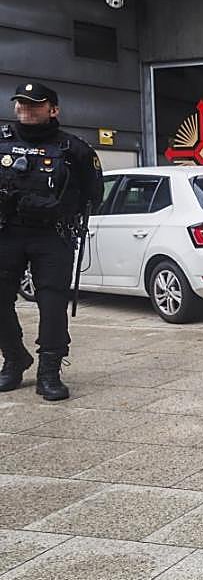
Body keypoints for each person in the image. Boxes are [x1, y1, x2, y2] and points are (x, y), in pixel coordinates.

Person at [0, 81, 103, 401]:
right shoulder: (1, 141)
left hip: (51, 236)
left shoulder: (75, 149)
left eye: (34, 104)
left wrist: (61, 210)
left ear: (53, 109)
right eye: (21, 104)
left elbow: (93, 196)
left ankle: (49, 371)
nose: (25, 109)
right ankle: (15, 358)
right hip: (7, 232)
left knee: (52, 304)